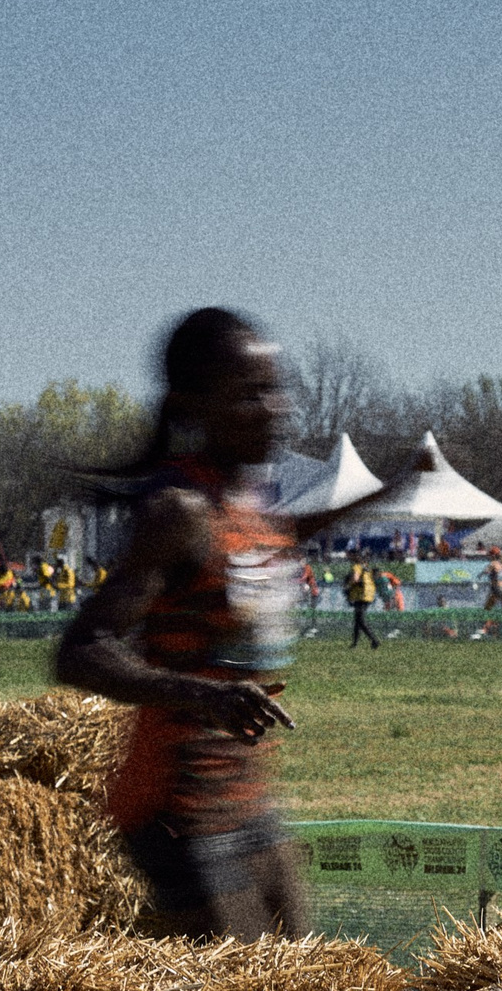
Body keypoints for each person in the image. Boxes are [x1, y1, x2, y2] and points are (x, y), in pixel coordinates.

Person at [54, 307, 388, 941]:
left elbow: (286, 536)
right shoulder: (177, 510)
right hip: (176, 812)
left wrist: (385, 493)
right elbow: (81, 651)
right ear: (194, 405)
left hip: (247, 798)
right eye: (250, 393)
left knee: (307, 989)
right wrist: (204, 695)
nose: (276, 408)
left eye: (277, 387)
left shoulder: (246, 504)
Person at [344, 554, 381, 648]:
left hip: (361, 595)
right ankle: (355, 643)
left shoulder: (357, 566)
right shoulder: (367, 568)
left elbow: (355, 579)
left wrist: (348, 585)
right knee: (357, 620)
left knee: (360, 620)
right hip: (369, 594)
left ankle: (374, 640)